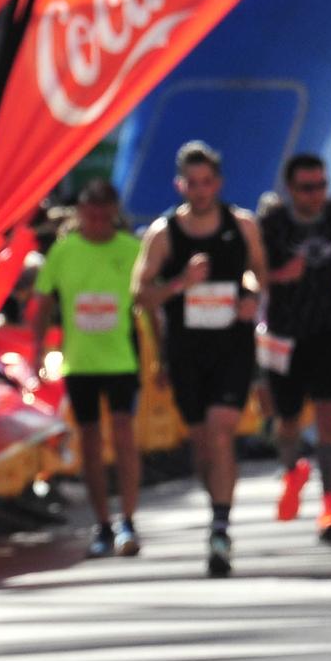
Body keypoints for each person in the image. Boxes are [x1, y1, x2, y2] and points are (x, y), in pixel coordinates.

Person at [132, 142, 268, 578]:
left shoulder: (241, 224)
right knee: (203, 443)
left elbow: (260, 272)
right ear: (180, 184)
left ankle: (221, 526)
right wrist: (181, 283)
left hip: (232, 345)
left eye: (207, 182)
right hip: (186, 352)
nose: (201, 190)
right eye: (192, 183)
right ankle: (217, 510)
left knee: (221, 431)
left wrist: (250, 297)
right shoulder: (164, 232)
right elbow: (140, 294)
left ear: (219, 183)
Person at [32, 181, 143, 557]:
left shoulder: (131, 249)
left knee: (125, 438)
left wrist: (162, 357)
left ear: (113, 213)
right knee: (91, 445)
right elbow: (43, 301)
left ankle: (128, 519)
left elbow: (147, 301)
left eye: (103, 215)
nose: (96, 222)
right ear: (80, 214)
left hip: (121, 361)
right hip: (79, 364)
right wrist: (37, 349)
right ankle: (103, 524)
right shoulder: (64, 252)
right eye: (89, 215)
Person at [258, 154, 331, 543]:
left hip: (327, 327)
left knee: (327, 411)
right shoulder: (272, 225)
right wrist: (279, 275)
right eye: (308, 187)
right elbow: (251, 276)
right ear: (290, 189)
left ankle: (330, 506)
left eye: (321, 185)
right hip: (284, 333)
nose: (317, 194)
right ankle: (292, 474)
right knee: (286, 419)